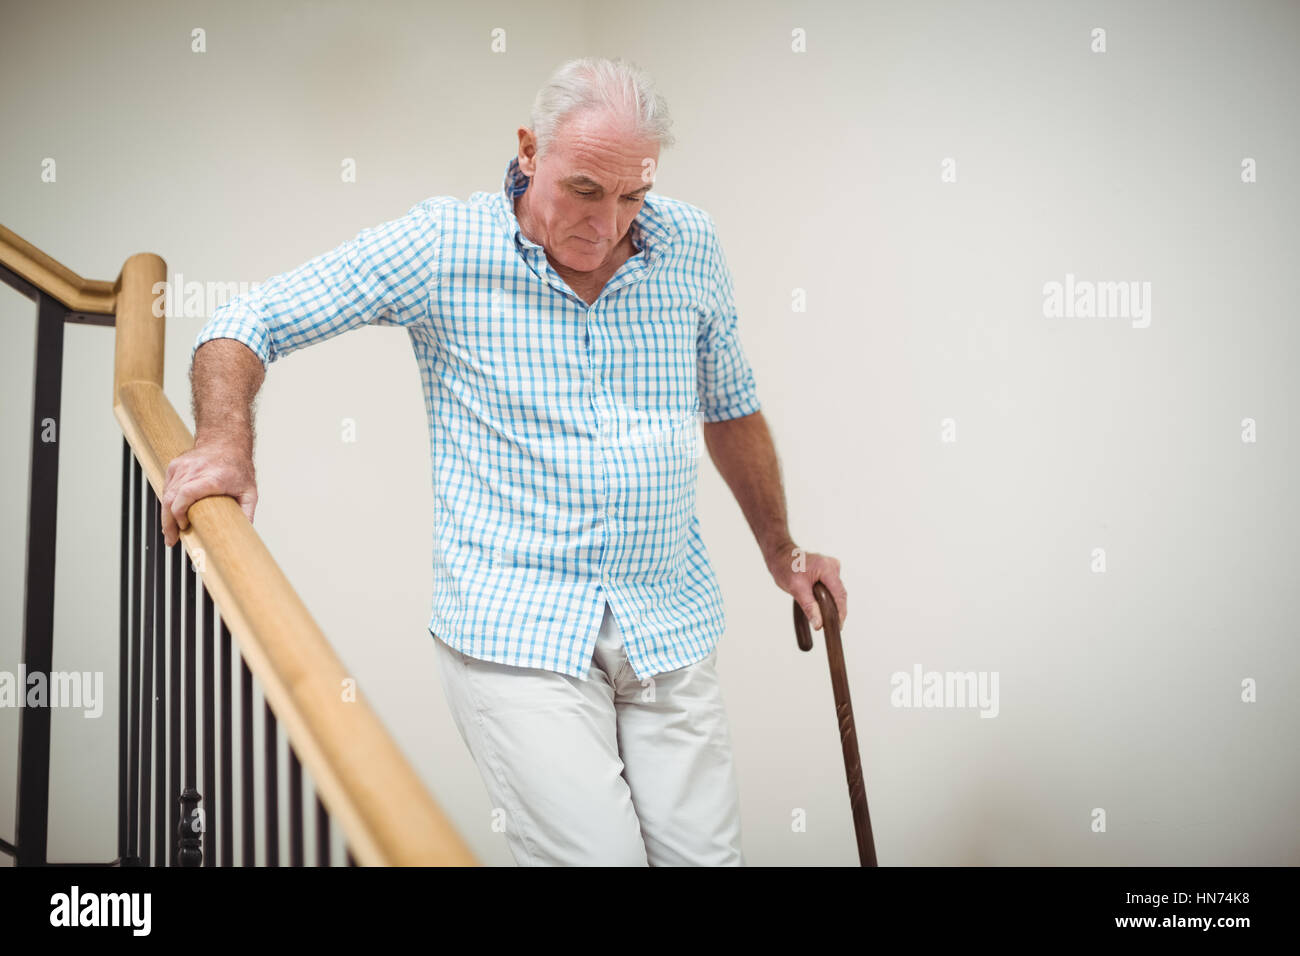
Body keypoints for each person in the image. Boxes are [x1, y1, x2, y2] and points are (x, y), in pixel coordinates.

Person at [161, 55, 848, 866]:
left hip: (669, 621)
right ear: (529, 150)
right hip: (519, 632)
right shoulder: (444, 246)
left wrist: (781, 549)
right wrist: (223, 444)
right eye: (585, 191)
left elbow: (730, 408)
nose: (609, 224)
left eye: (634, 196)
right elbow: (248, 319)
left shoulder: (689, 247)